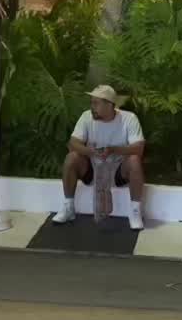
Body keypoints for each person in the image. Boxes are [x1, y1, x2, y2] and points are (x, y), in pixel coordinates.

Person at [52, 84, 146, 229]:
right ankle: (68, 207)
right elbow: (72, 143)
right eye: (92, 103)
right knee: (72, 157)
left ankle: (135, 212)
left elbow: (139, 148)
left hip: (118, 170)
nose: (92, 107)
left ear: (109, 105)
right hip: (93, 167)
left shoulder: (129, 118)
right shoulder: (86, 116)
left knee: (134, 160)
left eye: (96, 103)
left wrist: (113, 149)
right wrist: (90, 152)